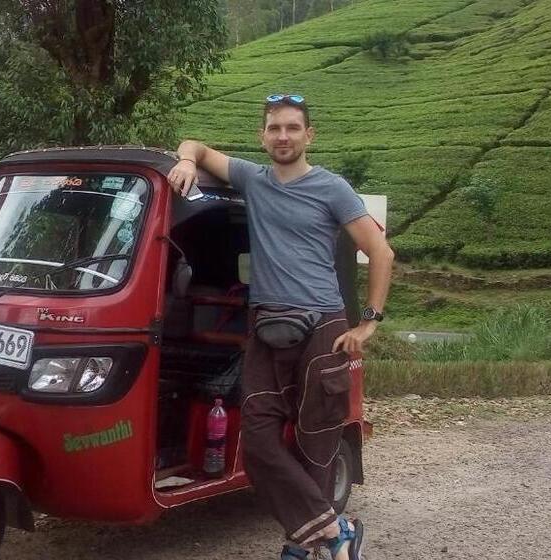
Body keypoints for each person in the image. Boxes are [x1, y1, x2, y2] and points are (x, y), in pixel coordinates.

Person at [166, 94, 394, 560]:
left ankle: (303, 543)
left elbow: (381, 252)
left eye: (292, 128)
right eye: (275, 128)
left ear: (309, 135)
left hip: (323, 327)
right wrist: (187, 159)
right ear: (262, 136)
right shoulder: (254, 179)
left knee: (317, 441)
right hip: (267, 325)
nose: (283, 136)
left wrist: (367, 323)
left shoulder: (333, 188)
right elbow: (198, 146)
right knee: (258, 444)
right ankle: (335, 532)